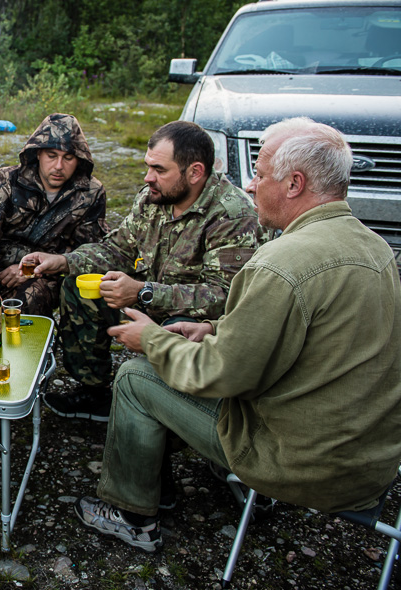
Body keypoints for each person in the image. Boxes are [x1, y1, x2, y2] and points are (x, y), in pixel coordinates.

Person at [71, 118, 401, 552]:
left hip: (300, 463)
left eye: (260, 175)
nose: (249, 186)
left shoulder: (280, 263)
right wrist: (212, 328)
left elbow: (218, 375)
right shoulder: (376, 247)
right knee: (176, 352)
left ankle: (133, 515)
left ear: (295, 184)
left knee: (136, 376)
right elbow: (306, 334)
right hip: (371, 464)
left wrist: (151, 338)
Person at [23, 120, 261, 422]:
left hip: (198, 321)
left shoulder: (231, 215)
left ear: (195, 172)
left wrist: (143, 292)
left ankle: (179, 415)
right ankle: (95, 393)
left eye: (160, 170)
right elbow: (118, 249)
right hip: (152, 298)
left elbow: (224, 296)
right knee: (76, 286)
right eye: (148, 166)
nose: (148, 178)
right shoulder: (153, 198)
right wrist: (63, 261)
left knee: (182, 328)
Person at [0, 113, 108, 318]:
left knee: (30, 298)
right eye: (52, 156)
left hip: (44, 274)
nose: (59, 166)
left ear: (79, 160)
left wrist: (28, 270)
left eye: (68, 158)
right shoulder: (8, 179)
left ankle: (27, 347)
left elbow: (89, 251)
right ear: (38, 154)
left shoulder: (91, 193)